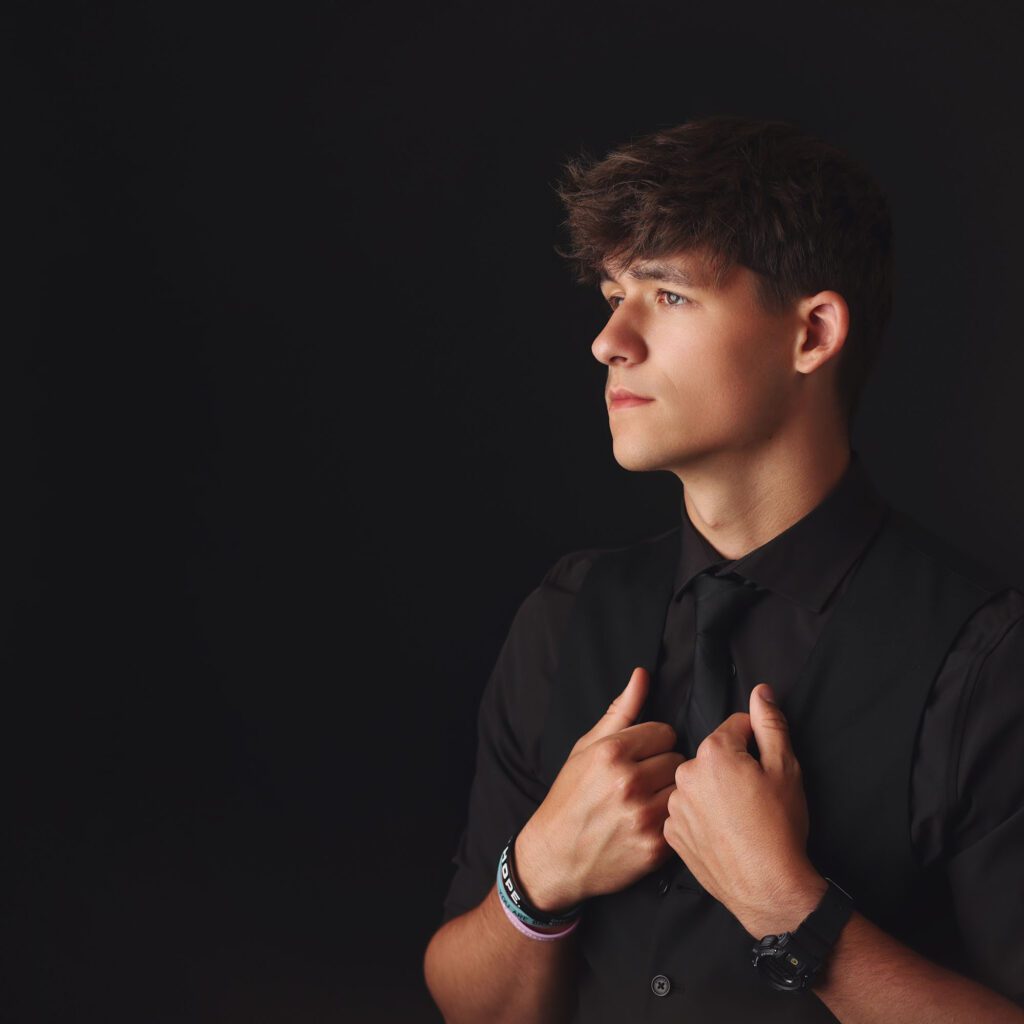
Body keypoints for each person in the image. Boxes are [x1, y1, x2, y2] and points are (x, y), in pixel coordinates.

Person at [422, 114, 1024, 1022]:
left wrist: (791, 909)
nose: (609, 341)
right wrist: (538, 874)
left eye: (666, 296)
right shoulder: (565, 613)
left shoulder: (988, 664)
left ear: (812, 333)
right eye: (611, 294)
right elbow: (473, 1007)